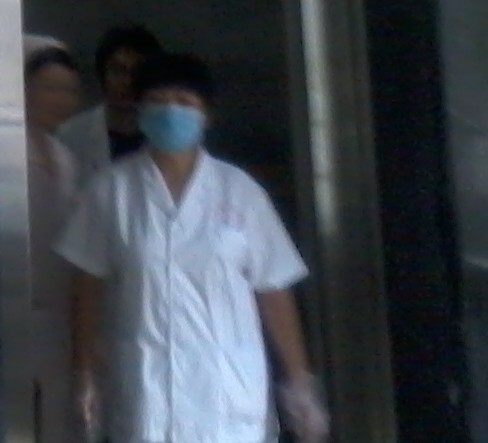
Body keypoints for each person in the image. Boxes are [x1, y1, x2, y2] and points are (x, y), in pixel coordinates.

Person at [55, 53, 329, 443]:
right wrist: (84, 372)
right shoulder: (110, 191)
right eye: (158, 101)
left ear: (206, 116)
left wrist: (299, 382)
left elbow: (273, 289)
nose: (171, 112)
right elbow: (87, 288)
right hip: (146, 390)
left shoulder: (240, 192)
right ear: (139, 111)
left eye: (184, 102)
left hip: (226, 392)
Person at [24, 35, 86, 443]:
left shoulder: (66, 158)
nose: (62, 100)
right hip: (16, 309)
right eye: (50, 88)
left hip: (59, 317)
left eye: (70, 91)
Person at [55, 24, 162, 182]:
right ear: (102, 75)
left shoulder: (166, 133)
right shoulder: (70, 135)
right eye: (118, 70)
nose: (127, 81)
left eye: (137, 72)